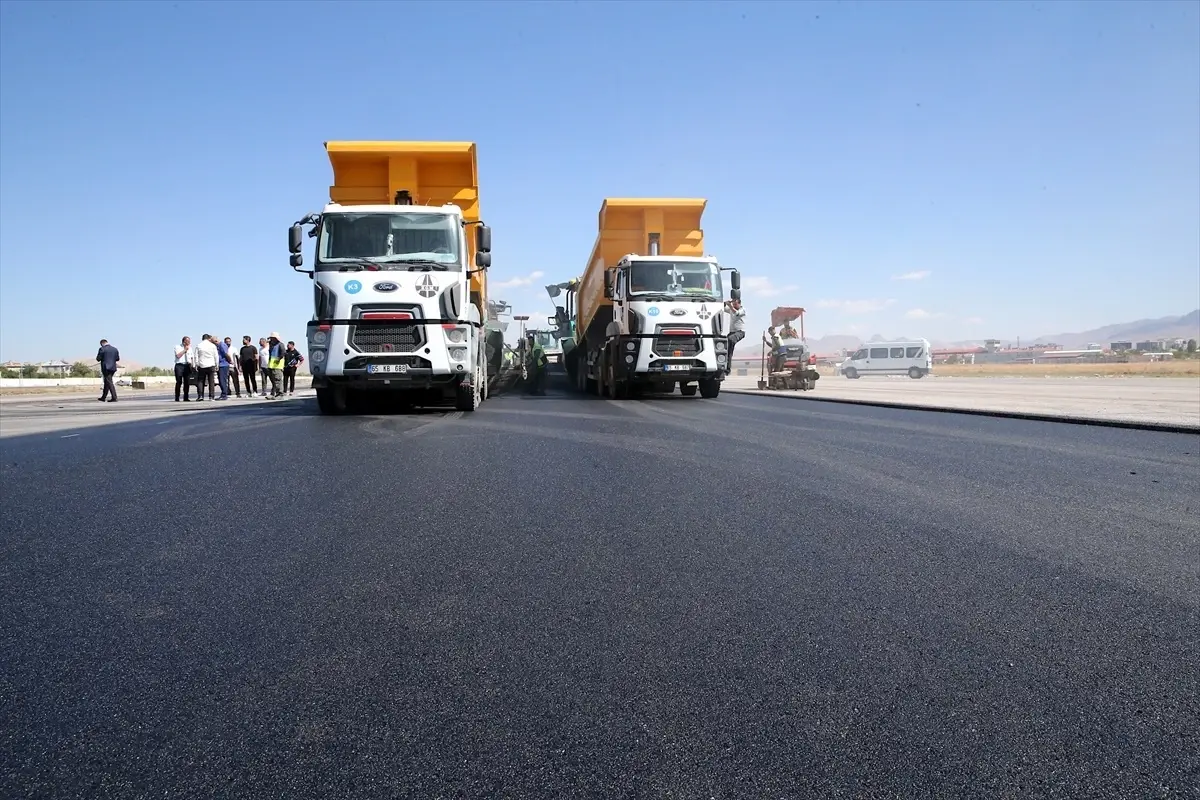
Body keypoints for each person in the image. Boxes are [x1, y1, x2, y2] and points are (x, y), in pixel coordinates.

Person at [194, 333, 219, 401]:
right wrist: (217, 365)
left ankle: (200, 396)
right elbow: (216, 356)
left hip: (202, 365)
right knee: (211, 381)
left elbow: (196, 356)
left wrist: (196, 364)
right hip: (211, 365)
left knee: (200, 381)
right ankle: (211, 396)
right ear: (208, 339)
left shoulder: (198, 345)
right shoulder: (212, 346)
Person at [725, 299, 745, 373]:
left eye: (735, 304)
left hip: (740, 332)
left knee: (730, 339)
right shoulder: (731, 308)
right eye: (733, 304)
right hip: (732, 332)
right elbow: (723, 307)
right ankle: (727, 368)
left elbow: (736, 313)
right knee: (726, 348)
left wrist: (730, 306)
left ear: (739, 304)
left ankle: (727, 367)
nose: (734, 306)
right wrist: (725, 302)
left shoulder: (742, 310)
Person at [96, 338, 120, 402]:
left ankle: (114, 397)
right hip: (113, 367)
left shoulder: (102, 349)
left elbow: (98, 358)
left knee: (109, 382)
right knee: (107, 382)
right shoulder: (115, 349)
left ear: (102, 343)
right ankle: (103, 397)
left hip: (106, 368)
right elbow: (117, 358)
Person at [266, 333, 286, 398]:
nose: (270, 339)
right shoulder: (272, 345)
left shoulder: (280, 345)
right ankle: (273, 393)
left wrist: (278, 359)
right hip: (271, 365)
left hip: (277, 365)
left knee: (277, 380)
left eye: (272, 338)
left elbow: (283, 353)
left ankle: (280, 394)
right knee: (273, 381)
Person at [173, 336, 193, 402]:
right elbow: (178, 356)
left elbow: (192, 357)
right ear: (184, 341)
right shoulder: (177, 347)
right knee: (179, 382)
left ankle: (186, 397)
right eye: (188, 341)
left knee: (187, 382)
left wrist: (192, 365)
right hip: (179, 365)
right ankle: (177, 397)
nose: (189, 343)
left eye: (189, 341)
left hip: (187, 365)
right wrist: (185, 350)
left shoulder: (190, 348)